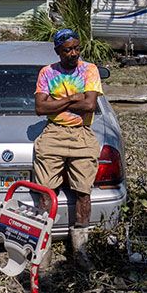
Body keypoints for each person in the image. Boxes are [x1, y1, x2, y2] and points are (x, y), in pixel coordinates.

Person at [33, 29, 103, 264]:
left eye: (76, 48)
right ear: (57, 51)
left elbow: (90, 104)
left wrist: (56, 102)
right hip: (53, 133)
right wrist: (74, 99)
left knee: (83, 191)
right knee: (45, 192)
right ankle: (44, 247)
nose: (73, 53)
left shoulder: (89, 70)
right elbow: (41, 109)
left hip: (82, 132)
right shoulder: (47, 72)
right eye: (67, 50)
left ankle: (80, 248)